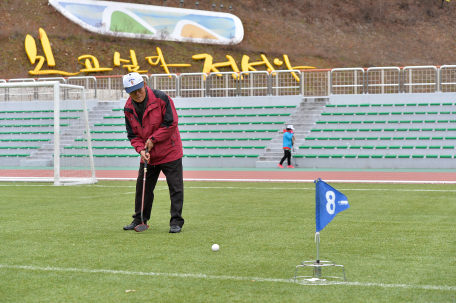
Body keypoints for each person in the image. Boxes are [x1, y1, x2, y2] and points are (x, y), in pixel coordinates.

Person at [122, 72, 184, 233]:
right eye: (132, 91)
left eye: (138, 88)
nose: (137, 93)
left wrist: (153, 139)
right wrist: (140, 149)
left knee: (175, 187)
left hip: (170, 151)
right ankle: (139, 219)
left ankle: (176, 221)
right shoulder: (128, 108)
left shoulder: (161, 98)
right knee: (143, 187)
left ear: (144, 84)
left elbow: (171, 123)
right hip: (148, 155)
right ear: (127, 92)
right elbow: (133, 135)